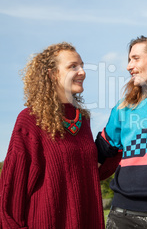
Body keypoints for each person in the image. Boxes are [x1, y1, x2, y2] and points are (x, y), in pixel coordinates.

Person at [0, 42, 106, 228]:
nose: (82, 72)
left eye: (81, 65)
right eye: (73, 66)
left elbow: (87, 175)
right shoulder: (30, 120)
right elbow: (12, 192)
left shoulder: (83, 120)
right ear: (52, 74)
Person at [95, 36, 147, 229]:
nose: (129, 66)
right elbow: (100, 152)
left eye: (136, 58)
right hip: (124, 214)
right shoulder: (123, 108)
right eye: (129, 59)